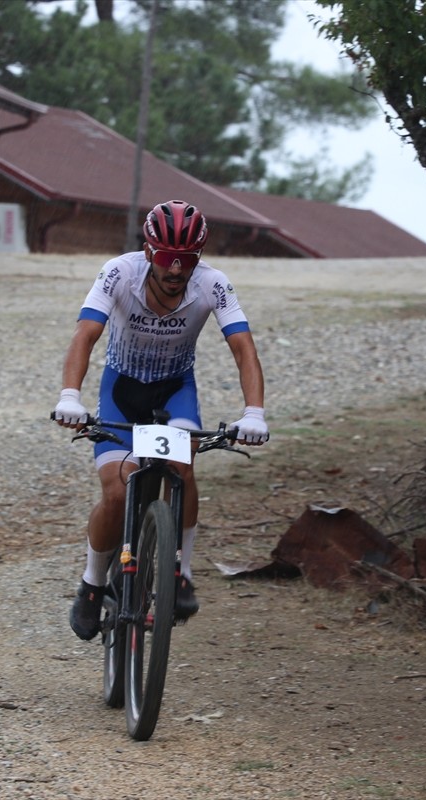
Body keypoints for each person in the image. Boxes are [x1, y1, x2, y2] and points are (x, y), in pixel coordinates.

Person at [53, 200, 268, 641]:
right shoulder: (120, 272)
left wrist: (254, 413)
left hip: (174, 392)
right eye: (167, 258)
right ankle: (93, 583)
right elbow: (86, 334)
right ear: (149, 252)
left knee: (183, 470)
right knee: (115, 492)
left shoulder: (213, 284)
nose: (176, 269)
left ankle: (181, 573)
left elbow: (243, 348)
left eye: (187, 260)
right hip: (122, 390)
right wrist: (70, 397)